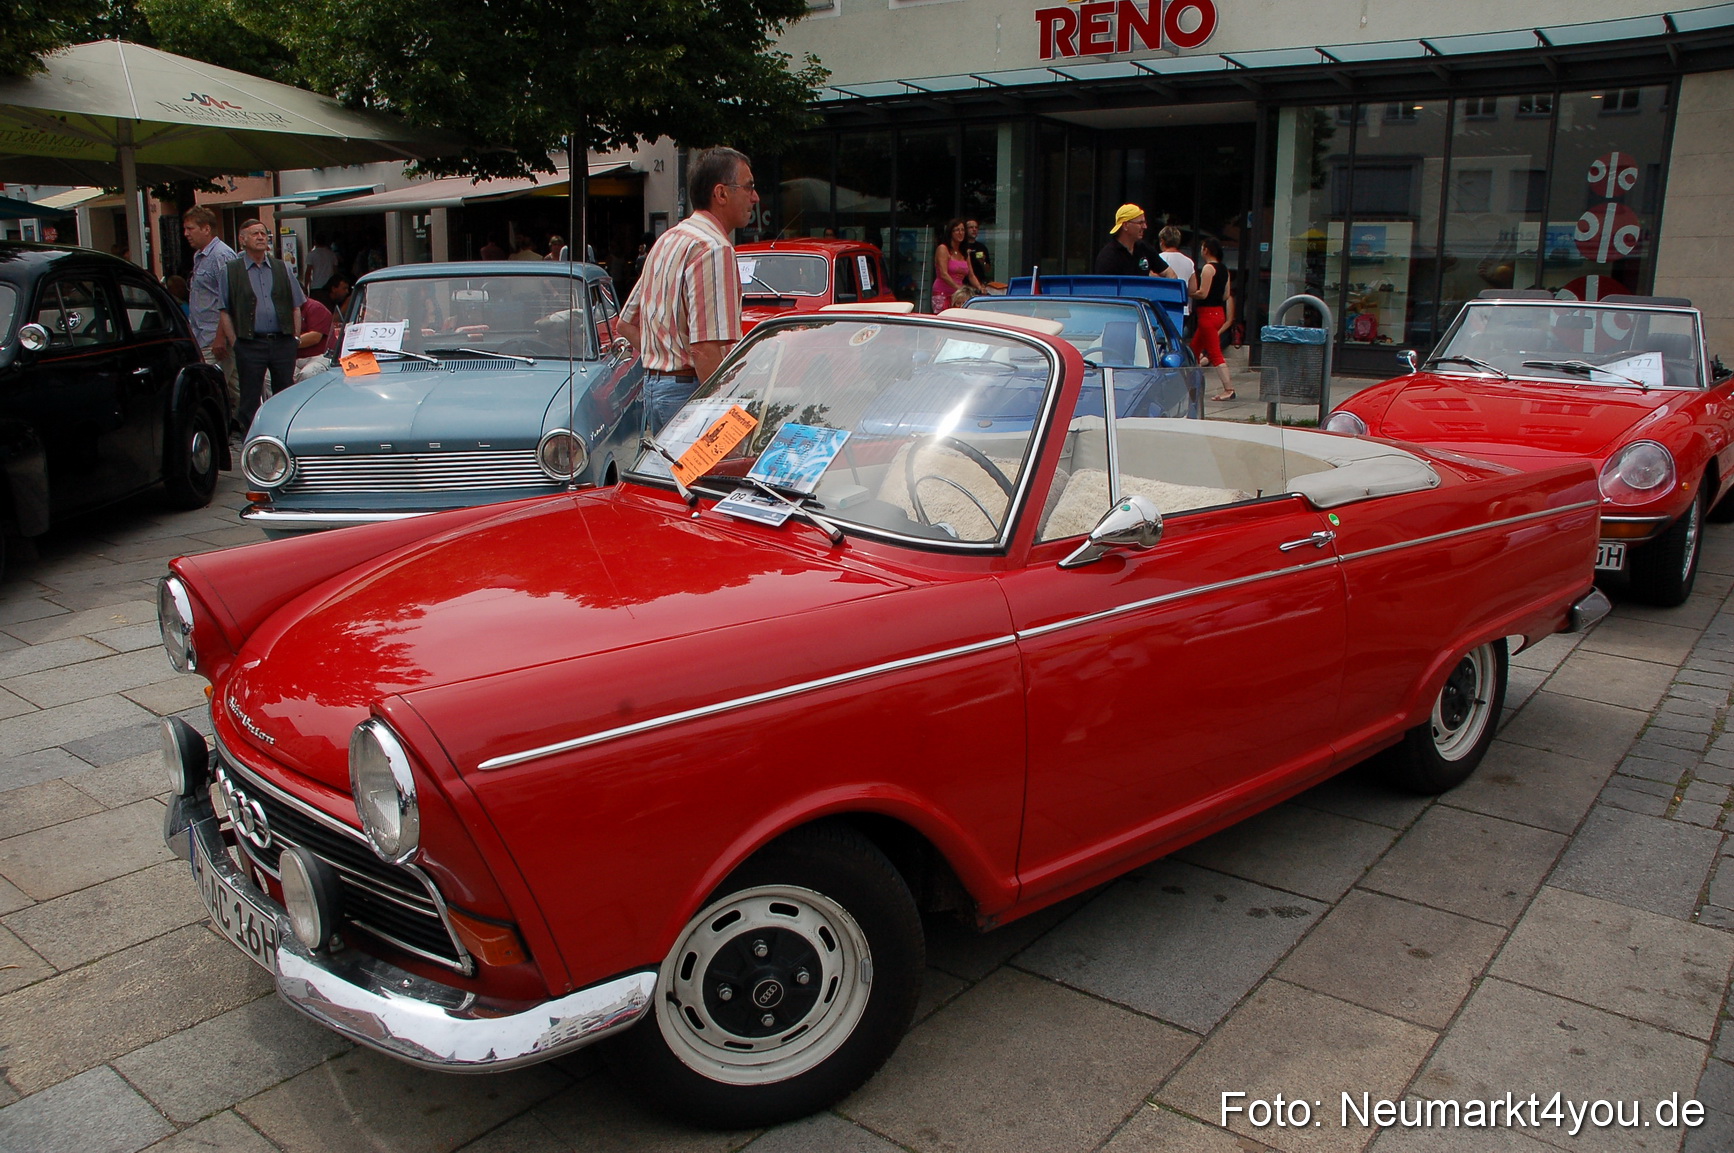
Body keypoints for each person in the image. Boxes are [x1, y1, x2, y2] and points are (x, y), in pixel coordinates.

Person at [617, 146, 758, 430]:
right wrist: (726, 421)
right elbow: (705, 349)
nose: (755, 197)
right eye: (748, 187)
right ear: (721, 194)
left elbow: (626, 323)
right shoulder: (714, 248)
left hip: (658, 389)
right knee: (704, 475)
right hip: (689, 392)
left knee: (670, 475)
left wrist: (663, 360)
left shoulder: (670, 239)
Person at [217, 218, 304, 434]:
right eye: (255, 233)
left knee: (285, 391)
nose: (260, 237)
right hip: (250, 342)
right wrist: (235, 342)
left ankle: (285, 434)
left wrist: (295, 338)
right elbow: (225, 311)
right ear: (242, 239)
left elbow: (296, 306)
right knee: (249, 396)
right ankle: (253, 437)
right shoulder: (231, 271)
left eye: (263, 234)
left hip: (282, 340)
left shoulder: (281, 267)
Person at [182, 206, 241, 422]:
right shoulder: (200, 256)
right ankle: (247, 424)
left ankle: (218, 428)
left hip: (214, 337)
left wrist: (220, 337)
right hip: (203, 334)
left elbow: (228, 300)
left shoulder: (221, 255)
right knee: (234, 386)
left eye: (190, 228)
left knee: (210, 388)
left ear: (206, 229)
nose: (186, 233)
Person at [1191, 236, 1236, 402]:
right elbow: (1225, 294)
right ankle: (1191, 383)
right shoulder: (1224, 269)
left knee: (1215, 354)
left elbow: (1203, 293)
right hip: (1218, 313)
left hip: (1207, 314)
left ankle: (1228, 388)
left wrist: (1188, 292)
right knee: (1194, 349)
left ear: (1206, 250)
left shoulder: (1208, 269)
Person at [1093, 204, 1164, 277]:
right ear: (1125, 225)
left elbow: (1170, 274)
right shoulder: (1108, 257)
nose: (1145, 227)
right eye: (1140, 223)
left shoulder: (1145, 248)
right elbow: (1104, 287)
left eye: (1145, 222)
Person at [931, 219, 982, 313]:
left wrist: (980, 288)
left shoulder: (964, 252)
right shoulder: (943, 249)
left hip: (959, 296)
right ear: (950, 232)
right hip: (944, 293)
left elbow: (971, 275)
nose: (960, 233)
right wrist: (959, 288)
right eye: (957, 230)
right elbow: (943, 274)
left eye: (962, 230)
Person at [1156, 225, 1198, 335]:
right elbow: (1193, 289)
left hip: (1162, 307)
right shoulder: (1189, 262)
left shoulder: (1158, 259)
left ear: (1162, 241)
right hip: (1182, 309)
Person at [963, 219, 993, 286]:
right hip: (964, 283)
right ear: (965, 230)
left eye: (976, 227)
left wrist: (983, 262)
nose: (974, 229)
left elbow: (987, 270)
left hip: (979, 282)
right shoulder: (961, 246)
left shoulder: (982, 247)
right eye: (971, 227)